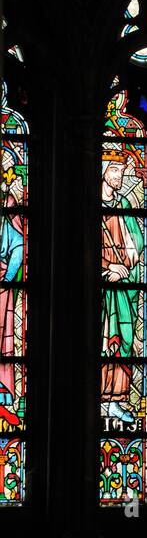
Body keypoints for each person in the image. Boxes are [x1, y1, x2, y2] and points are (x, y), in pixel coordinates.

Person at [101, 147, 145, 425]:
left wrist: (127, 265)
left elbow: (136, 241)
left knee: (122, 344)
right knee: (102, 343)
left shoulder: (125, 205)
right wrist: (106, 270)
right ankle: (100, 399)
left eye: (122, 170)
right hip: (102, 285)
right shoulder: (89, 204)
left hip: (122, 286)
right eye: (115, 169)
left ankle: (116, 400)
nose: (120, 175)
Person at [0, 149, 26, 428]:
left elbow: (18, 245)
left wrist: (7, 276)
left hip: (2, 285)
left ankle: (3, 392)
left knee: (4, 337)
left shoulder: (9, 204)